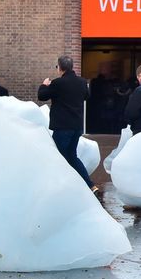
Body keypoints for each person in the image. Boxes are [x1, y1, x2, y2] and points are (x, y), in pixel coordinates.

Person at [37, 55, 97, 194]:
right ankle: (90, 185)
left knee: (59, 158)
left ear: (60, 68)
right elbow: (86, 96)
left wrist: (44, 84)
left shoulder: (58, 83)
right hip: (77, 126)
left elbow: (42, 96)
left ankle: (60, 188)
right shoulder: (82, 82)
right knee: (72, 156)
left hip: (62, 127)